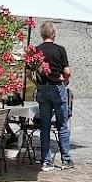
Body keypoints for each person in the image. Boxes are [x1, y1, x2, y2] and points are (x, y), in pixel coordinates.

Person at [28, 21, 73, 169]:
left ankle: (46, 161)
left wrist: (36, 83)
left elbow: (28, 72)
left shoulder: (36, 50)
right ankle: (66, 159)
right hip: (57, 89)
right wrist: (65, 80)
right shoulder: (60, 50)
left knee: (45, 126)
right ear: (54, 34)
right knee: (62, 125)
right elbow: (67, 71)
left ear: (42, 34)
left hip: (42, 89)